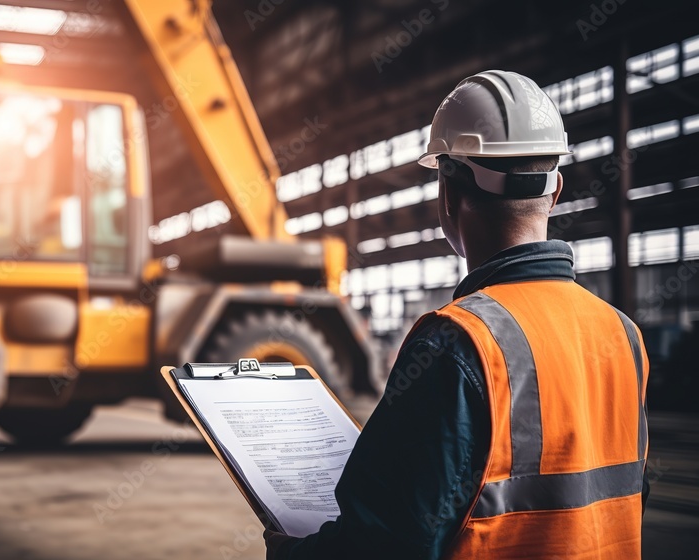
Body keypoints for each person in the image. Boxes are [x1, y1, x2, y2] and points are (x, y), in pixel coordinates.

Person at [264, 70, 649, 559]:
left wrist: (290, 552)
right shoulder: (625, 335)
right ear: (554, 192)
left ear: (447, 195)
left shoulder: (459, 341)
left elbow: (383, 544)